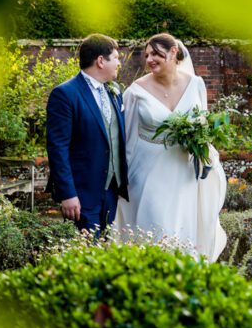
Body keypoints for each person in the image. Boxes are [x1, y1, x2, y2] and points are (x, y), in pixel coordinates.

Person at [114, 33, 227, 260]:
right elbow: (123, 137)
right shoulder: (135, 91)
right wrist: (122, 178)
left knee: (184, 228)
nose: (149, 60)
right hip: (148, 171)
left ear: (174, 52)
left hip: (184, 170)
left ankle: (182, 284)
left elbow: (203, 125)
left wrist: (204, 151)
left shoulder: (196, 84)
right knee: (155, 225)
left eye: (156, 53)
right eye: (147, 55)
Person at [46, 34, 129, 234]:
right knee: (85, 252)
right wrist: (67, 194)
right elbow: (58, 147)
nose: (119, 62)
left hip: (111, 190)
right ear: (101, 61)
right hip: (82, 194)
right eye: (116, 57)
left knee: (103, 250)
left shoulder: (113, 91)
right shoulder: (65, 94)